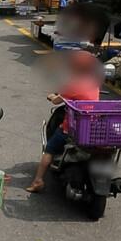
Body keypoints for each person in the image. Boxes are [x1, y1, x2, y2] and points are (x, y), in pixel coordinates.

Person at [27, 51, 102, 192]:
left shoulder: (73, 85)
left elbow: (56, 100)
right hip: (91, 127)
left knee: (49, 150)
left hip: (71, 129)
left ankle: (38, 182)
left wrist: (51, 96)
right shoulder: (94, 83)